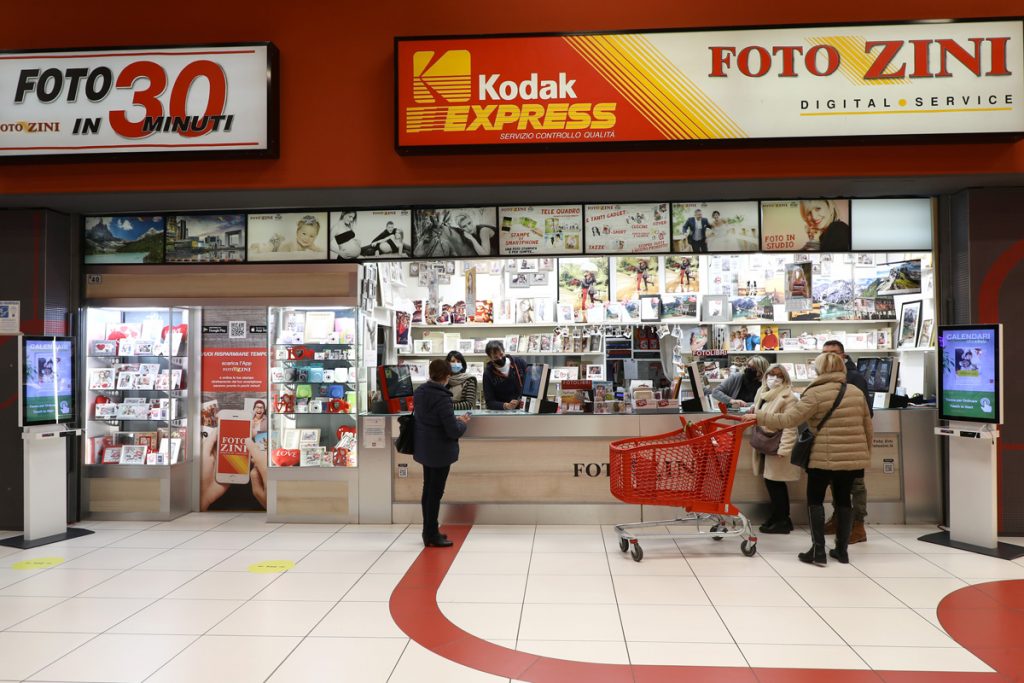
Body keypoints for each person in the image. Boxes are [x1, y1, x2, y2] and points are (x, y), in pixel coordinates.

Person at [750, 352, 872, 566]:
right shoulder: (855, 392)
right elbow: (867, 426)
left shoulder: (814, 393)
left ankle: (818, 551)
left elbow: (789, 419)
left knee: (815, 501)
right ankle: (841, 550)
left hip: (822, 457)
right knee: (844, 500)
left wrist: (758, 416)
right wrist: (865, 454)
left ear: (819, 369)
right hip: (852, 458)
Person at [413, 359, 471, 548]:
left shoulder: (420, 392)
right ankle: (431, 534)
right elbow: (453, 431)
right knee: (435, 493)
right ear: (447, 376)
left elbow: (431, 419)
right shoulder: (442, 397)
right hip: (439, 451)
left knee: (428, 490)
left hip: (425, 447)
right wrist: (462, 422)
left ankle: (428, 530)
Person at [822, 340, 872, 544]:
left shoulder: (855, 378)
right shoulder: (824, 377)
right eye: (825, 353)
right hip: (833, 441)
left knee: (856, 484)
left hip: (852, 441)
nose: (829, 356)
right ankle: (838, 519)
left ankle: (858, 525)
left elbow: (866, 413)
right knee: (835, 483)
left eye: (833, 352)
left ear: (843, 355)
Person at [751, 364, 802, 534]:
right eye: (771, 375)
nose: (774, 379)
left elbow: (790, 426)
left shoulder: (788, 397)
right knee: (771, 481)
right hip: (766, 444)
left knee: (776, 483)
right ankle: (779, 516)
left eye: (778, 376)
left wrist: (784, 449)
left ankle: (782, 520)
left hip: (777, 446)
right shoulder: (763, 393)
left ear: (785, 379)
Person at [482, 340, 527, 410]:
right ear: (490, 358)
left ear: (504, 351)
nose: (500, 358)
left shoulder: (519, 363)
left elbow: (529, 385)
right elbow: (490, 402)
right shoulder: (488, 373)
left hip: (524, 408)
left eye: (501, 354)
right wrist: (506, 405)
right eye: (496, 357)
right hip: (503, 412)